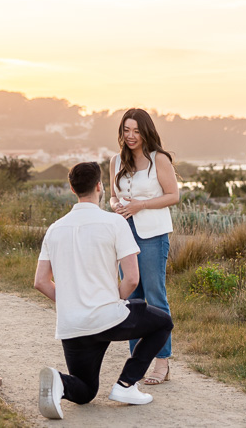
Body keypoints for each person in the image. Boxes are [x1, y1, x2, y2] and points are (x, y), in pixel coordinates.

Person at [34, 161, 173, 420]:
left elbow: (41, 281)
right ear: (100, 186)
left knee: (85, 390)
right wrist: (112, 300)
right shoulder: (114, 223)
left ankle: (60, 382)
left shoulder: (54, 229)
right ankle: (126, 385)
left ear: (72, 188)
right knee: (163, 322)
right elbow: (132, 279)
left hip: (73, 326)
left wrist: (70, 303)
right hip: (109, 318)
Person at [109, 108, 181, 385]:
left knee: (155, 295)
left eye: (136, 131)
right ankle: (137, 364)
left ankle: (162, 364)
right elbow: (114, 197)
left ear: (146, 132)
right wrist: (117, 206)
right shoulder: (115, 161)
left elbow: (173, 195)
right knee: (131, 299)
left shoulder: (158, 160)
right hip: (123, 235)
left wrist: (140, 205)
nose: (130, 136)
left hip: (153, 235)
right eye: (126, 130)